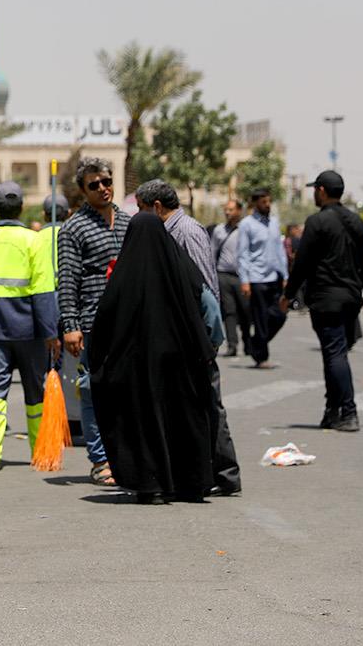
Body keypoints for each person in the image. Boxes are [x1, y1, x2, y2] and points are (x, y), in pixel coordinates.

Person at [91, 212, 224, 504]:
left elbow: (103, 322)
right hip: (181, 362)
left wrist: (97, 361)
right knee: (181, 419)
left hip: (134, 368)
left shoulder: (124, 276)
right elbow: (209, 306)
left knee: (142, 421)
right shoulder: (180, 267)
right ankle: (188, 483)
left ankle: (149, 484)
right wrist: (209, 345)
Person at [134, 179, 241, 496]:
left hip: (197, 340)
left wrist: (207, 338)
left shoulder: (187, 232)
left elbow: (204, 290)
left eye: (142, 210)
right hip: (183, 340)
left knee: (209, 404)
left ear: (156, 207)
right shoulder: (167, 233)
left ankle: (225, 473)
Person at [0, 182, 59, 472]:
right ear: (21, 208)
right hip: (29, 332)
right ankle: (41, 453)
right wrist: (50, 332)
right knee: (36, 393)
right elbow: (43, 292)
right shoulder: (34, 240)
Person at [282, 171, 363, 432]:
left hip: (326, 299)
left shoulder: (317, 222)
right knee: (334, 353)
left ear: (323, 191)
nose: (314, 193)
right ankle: (332, 411)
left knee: (335, 353)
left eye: (315, 189)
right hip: (350, 299)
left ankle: (348, 412)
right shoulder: (356, 221)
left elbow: (302, 263)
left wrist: (288, 294)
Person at [57, 157, 126, 486]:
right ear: (83, 191)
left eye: (107, 181)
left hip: (128, 323)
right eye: (94, 185)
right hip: (92, 322)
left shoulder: (128, 223)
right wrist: (70, 325)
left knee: (125, 390)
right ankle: (100, 460)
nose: (103, 188)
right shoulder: (74, 228)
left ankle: (125, 454)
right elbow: (68, 280)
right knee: (92, 390)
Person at [238, 188, 288, 368]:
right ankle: (262, 358)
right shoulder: (247, 225)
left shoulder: (274, 222)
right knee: (260, 318)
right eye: (264, 202)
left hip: (274, 277)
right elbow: (242, 254)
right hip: (256, 278)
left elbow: (280, 250)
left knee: (280, 315)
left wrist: (285, 275)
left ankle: (254, 343)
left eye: (269, 201)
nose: (267, 205)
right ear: (255, 204)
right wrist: (245, 281)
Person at [211, 200, 251, 357]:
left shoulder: (246, 229)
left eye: (231, 209)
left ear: (239, 211)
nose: (228, 212)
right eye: (226, 209)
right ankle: (232, 345)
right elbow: (212, 253)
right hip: (223, 275)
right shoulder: (219, 230)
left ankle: (248, 344)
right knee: (229, 312)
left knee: (245, 311)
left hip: (243, 277)